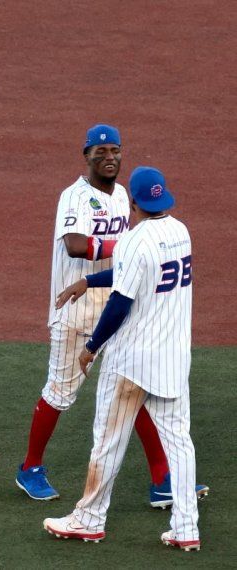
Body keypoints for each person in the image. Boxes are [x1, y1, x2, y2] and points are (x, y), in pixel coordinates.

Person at [44, 167, 201, 552]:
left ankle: (89, 520)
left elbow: (120, 302)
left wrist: (92, 345)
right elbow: (132, 271)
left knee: (108, 440)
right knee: (180, 443)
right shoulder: (180, 231)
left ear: (133, 202)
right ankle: (186, 529)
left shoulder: (133, 240)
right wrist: (88, 281)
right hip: (173, 360)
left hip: (130, 362)